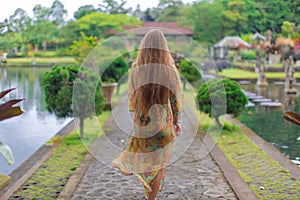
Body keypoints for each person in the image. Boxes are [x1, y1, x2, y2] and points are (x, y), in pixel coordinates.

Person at [112, 29, 183, 200]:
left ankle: (149, 194)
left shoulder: (136, 69)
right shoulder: (170, 70)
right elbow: (175, 102)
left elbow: (133, 102)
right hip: (163, 126)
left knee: (148, 163)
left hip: (143, 125)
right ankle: (152, 197)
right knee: (159, 164)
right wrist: (175, 121)